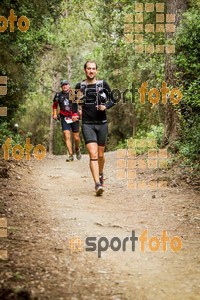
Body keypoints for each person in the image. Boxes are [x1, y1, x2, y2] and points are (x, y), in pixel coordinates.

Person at [75, 61, 115, 196]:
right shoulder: (79, 86)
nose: (91, 71)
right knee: (93, 154)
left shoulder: (103, 85)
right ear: (84, 70)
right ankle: (97, 184)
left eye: (93, 69)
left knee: (101, 155)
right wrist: (77, 113)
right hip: (87, 124)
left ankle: (101, 173)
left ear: (96, 71)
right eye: (88, 68)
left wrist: (106, 106)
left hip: (102, 123)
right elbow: (74, 103)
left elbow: (113, 99)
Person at [52, 80, 81, 161]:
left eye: (66, 85)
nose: (65, 86)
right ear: (61, 87)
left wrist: (80, 112)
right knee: (66, 134)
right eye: (63, 85)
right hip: (64, 117)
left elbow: (81, 103)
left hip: (74, 117)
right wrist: (54, 113)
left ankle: (77, 149)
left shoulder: (73, 93)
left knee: (76, 137)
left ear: (69, 85)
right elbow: (54, 105)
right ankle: (71, 155)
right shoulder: (58, 95)